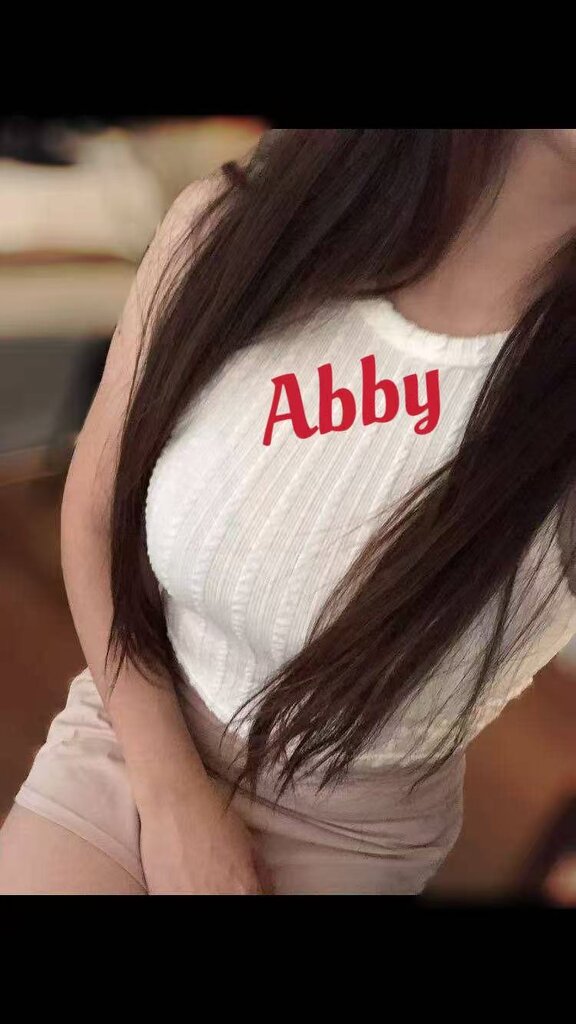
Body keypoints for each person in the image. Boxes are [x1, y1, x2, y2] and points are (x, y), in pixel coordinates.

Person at [2, 128, 576, 896]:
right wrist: (172, 799)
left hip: (349, 829)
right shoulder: (240, 225)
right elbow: (97, 514)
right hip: (134, 712)